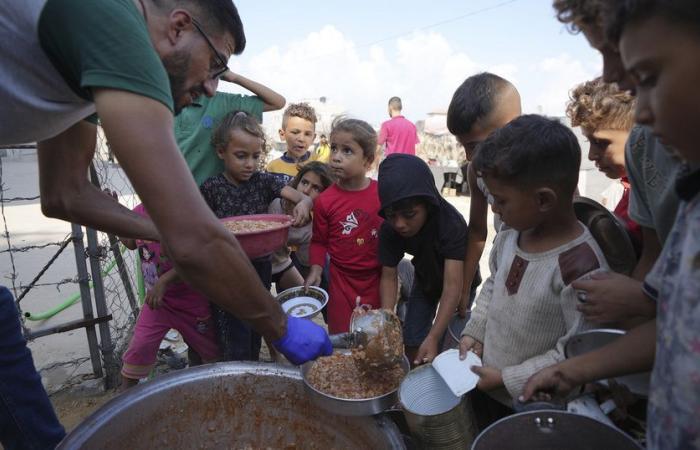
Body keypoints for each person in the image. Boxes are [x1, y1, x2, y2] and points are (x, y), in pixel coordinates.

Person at [0, 1, 329, 447]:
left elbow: (65, 194)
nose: (213, 87)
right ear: (178, 27)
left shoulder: (89, 61)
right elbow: (194, 239)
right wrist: (282, 327)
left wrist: (164, 232)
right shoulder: (113, 22)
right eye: (215, 65)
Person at [524, 2, 700, 448]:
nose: (639, 114)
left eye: (649, 79)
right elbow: (678, 330)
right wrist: (573, 370)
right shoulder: (691, 212)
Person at [457, 115, 609, 426]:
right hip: (487, 385)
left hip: (537, 407)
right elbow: (492, 285)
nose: (495, 210)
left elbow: (575, 352)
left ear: (543, 200)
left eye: (500, 200)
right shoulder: (511, 234)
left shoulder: (580, 267)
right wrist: (477, 329)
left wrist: (506, 378)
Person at [551, 0, 677, 326]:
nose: (609, 73)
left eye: (614, 50)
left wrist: (641, 302)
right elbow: (651, 256)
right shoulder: (643, 153)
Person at [200, 111, 312, 360]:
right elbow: (201, 228)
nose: (250, 164)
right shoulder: (212, 188)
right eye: (241, 156)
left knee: (255, 327)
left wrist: (304, 203)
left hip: (259, 266)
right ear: (221, 152)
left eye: (255, 156)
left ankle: (250, 365)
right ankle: (235, 372)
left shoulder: (264, 181)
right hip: (225, 271)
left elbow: (300, 196)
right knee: (231, 332)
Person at [377, 154, 474, 366]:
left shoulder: (450, 224)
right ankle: (415, 372)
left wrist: (433, 337)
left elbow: (452, 287)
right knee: (412, 336)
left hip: (460, 283)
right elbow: (388, 277)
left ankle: (438, 382)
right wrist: (386, 320)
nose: (400, 224)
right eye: (392, 216)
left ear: (428, 204)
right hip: (426, 278)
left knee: (449, 342)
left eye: (409, 215)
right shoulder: (389, 228)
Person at [119, 205, 221, 390]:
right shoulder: (138, 213)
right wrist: (117, 220)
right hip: (157, 302)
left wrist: (165, 280)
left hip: (192, 300)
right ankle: (121, 404)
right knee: (139, 347)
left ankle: (213, 392)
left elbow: (197, 256)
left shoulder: (181, 210)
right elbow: (130, 242)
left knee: (210, 353)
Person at [446, 73, 521, 316]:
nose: (469, 157)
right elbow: (477, 231)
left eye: (475, 146)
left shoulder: (547, 165)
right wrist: (464, 288)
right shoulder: (477, 171)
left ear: (512, 125)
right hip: (505, 269)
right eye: (464, 146)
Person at [304, 118, 383, 333]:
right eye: (334, 148)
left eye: (347, 151)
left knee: (372, 340)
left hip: (377, 281)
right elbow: (319, 241)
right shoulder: (325, 201)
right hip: (340, 284)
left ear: (367, 160)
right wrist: (316, 269)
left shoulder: (383, 194)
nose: (336, 157)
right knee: (341, 339)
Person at [566, 77, 641, 250]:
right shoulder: (632, 189)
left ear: (639, 133)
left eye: (601, 143)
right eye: (589, 142)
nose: (592, 156)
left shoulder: (660, 200)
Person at [175, 73, 285, 186]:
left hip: (209, 197)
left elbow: (277, 102)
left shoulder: (222, 102)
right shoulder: (164, 101)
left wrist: (234, 77)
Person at [269, 162, 334, 291]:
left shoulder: (318, 219)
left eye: (316, 188)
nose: (306, 190)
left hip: (304, 265)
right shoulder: (277, 206)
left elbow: (309, 263)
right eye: (304, 182)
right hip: (276, 262)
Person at [266, 103, 320, 181]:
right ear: (282, 134)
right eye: (295, 132)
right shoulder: (272, 168)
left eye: (307, 134)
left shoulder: (319, 164)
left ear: (313, 138)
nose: (301, 139)